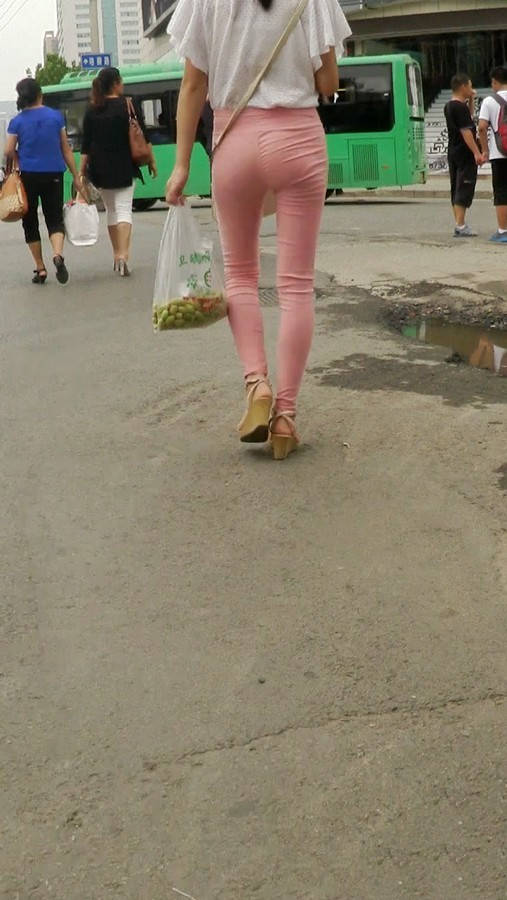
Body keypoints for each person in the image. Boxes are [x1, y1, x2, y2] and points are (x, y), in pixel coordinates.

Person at [165, 0, 351, 459]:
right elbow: (328, 83)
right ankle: (285, 416)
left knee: (241, 276)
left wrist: (182, 165)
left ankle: (257, 385)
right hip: (299, 140)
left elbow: (193, 85)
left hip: (235, 141)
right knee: (296, 285)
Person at [79, 67, 157, 276]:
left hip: (100, 169)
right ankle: (123, 254)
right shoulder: (128, 105)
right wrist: (151, 161)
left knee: (112, 210)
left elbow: (85, 145)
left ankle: (116, 254)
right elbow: (143, 135)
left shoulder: (92, 109)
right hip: (124, 166)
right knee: (124, 210)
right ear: (115, 83)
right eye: (121, 80)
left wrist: (81, 172)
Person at [5, 77, 82, 284]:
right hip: (54, 173)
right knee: (54, 218)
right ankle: (57, 254)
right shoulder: (56, 117)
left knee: (30, 221)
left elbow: (8, 150)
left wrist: (19, 156)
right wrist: (76, 175)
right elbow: (65, 149)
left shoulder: (17, 121)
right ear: (40, 94)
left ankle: (40, 268)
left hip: (28, 175)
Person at [444, 73, 485, 237]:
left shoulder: (450, 106)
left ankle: (459, 223)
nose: (471, 89)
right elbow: (466, 131)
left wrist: (472, 99)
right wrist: (476, 152)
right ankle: (460, 226)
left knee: (456, 187)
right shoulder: (459, 107)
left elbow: (468, 118)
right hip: (464, 153)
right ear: (463, 87)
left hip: (453, 151)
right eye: (469, 86)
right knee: (464, 186)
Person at [478, 65, 507, 244]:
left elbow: (482, 127)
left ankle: (503, 231)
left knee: (502, 192)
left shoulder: (489, 101)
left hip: (499, 153)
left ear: (495, 81)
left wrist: (485, 150)